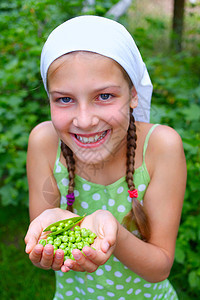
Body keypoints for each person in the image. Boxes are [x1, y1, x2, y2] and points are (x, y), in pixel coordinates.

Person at [24, 15, 187, 300]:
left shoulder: (161, 147)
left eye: (105, 96)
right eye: (65, 99)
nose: (85, 121)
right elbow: (42, 242)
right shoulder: (43, 142)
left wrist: (115, 235)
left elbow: (159, 267)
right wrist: (45, 237)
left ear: (133, 94)